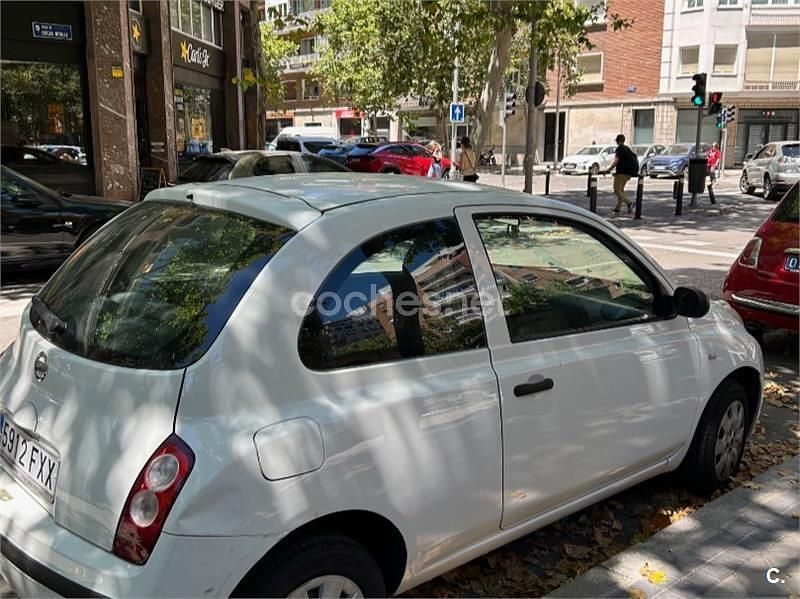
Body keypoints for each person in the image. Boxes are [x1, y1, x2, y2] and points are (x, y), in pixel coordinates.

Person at [607, 134, 640, 214]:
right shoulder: (627, 148)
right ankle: (618, 208)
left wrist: (608, 170)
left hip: (621, 173)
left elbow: (616, 161)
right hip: (628, 173)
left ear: (617, 141)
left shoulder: (620, 149)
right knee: (621, 190)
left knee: (617, 190)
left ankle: (629, 203)